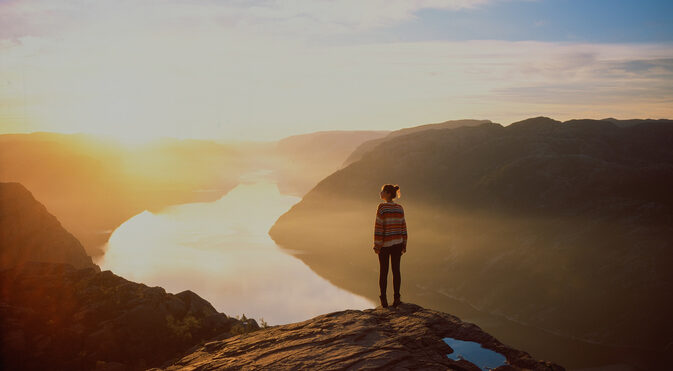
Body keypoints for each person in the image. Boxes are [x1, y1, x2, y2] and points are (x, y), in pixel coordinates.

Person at [373, 184, 407, 308]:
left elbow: (379, 228)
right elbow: (403, 226)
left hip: (385, 245)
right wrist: (404, 243)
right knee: (396, 271)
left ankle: (384, 301)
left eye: (382, 191)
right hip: (398, 244)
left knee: (384, 271)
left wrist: (377, 245)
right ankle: (397, 298)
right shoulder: (400, 208)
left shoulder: (382, 208)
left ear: (387, 193)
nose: (380, 193)